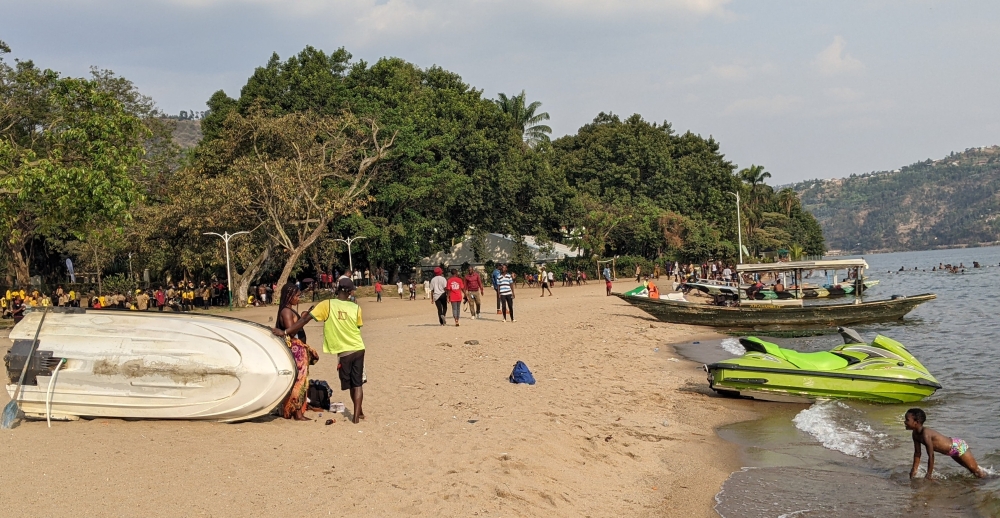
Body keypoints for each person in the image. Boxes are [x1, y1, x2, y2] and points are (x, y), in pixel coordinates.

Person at [276, 278, 365, 423]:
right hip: (359, 347)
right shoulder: (356, 307)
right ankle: (357, 415)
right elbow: (358, 327)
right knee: (358, 383)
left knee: (350, 383)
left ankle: (357, 415)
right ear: (349, 292)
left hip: (344, 351)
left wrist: (285, 332)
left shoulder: (327, 304)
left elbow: (305, 321)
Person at [275, 284, 319, 421]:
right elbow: (291, 331)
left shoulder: (289, 310)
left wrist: (303, 317)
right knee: (299, 381)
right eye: (297, 296)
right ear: (289, 296)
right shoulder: (286, 312)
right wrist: (305, 319)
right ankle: (298, 413)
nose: (298, 299)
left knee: (301, 380)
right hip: (296, 350)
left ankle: (297, 410)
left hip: (299, 349)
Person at [905, 408, 984, 479]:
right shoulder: (915, 434)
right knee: (970, 470)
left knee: (976, 471)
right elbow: (917, 453)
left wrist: (929, 474)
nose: (905, 422)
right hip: (950, 452)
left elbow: (931, 456)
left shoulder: (926, 434)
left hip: (957, 446)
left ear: (916, 422)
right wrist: (914, 470)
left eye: (907, 420)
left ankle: (988, 481)